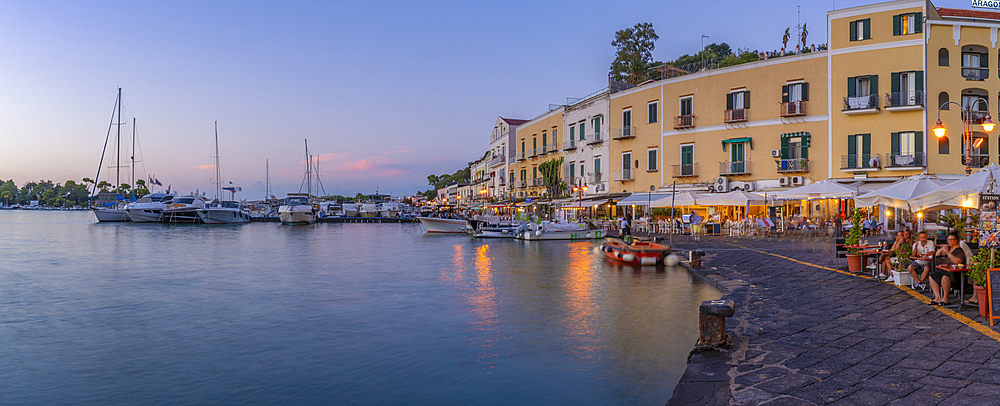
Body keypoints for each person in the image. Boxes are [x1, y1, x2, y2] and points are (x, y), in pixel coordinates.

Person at [928, 231, 967, 305]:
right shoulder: (950, 249)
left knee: (944, 278)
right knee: (932, 276)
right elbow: (936, 258)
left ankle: (945, 299)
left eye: (951, 239)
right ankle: (937, 298)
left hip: (956, 274)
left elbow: (958, 261)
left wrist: (948, 253)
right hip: (947, 271)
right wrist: (941, 250)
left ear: (956, 240)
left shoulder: (958, 250)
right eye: (948, 240)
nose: (949, 241)